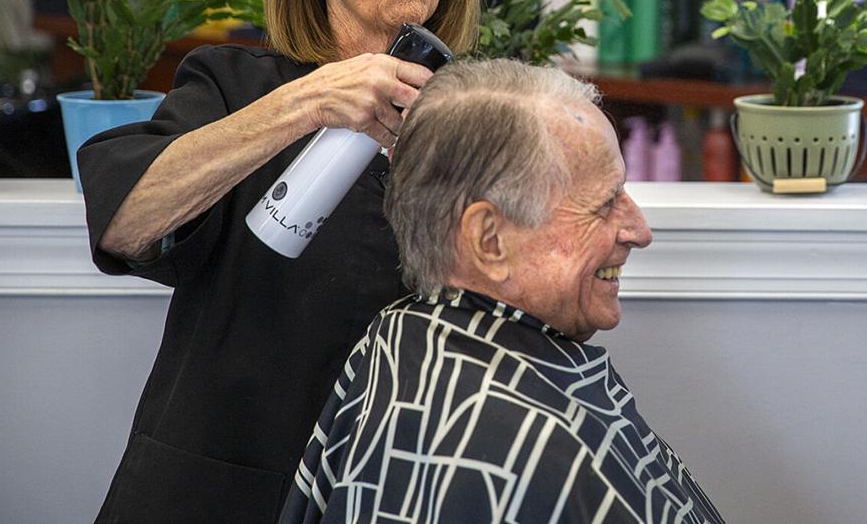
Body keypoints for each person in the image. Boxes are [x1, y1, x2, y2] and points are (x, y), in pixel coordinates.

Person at [78, 0, 482, 524]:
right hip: (225, 490)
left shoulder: (481, 119)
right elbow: (125, 220)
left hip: (404, 494)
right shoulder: (235, 85)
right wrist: (307, 102)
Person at [279, 59, 725, 524]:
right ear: (489, 240)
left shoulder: (403, 339)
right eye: (604, 204)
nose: (639, 230)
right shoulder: (490, 446)